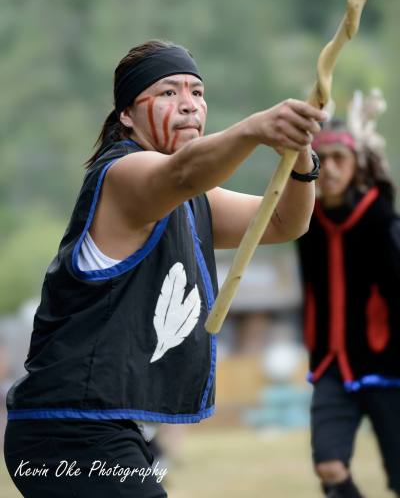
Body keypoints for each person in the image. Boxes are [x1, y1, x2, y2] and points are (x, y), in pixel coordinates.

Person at [4, 39, 325, 497]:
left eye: (197, 91)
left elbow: (285, 221)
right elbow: (182, 174)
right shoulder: (123, 178)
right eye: (169, 92)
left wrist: (302, 158)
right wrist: (255, 129)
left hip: (104, 429)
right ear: (127, 116)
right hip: (67, 431)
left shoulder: (195, 199)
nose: (190, 104)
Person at [297, 91, 400, 498]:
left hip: (387, 365)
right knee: (329, 466)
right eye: (326, 160)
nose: (332, 169)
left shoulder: (381, 218)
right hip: (331, 366)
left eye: (341, 158)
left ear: (357, 164)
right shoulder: (304, 220)